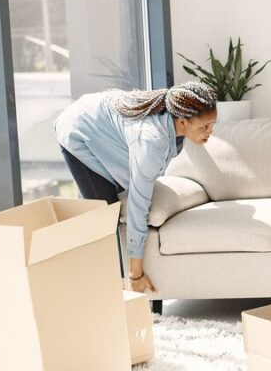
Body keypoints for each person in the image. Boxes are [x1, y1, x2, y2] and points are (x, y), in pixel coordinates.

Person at [54, 81, 217, 291]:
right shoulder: (150, 142)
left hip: (100, 121)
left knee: (118, 194)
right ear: (183, 122)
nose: (210, 131)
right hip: (78, 129)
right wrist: (136, 273)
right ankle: (107, 293)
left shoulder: (175, 125)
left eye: (212, 125)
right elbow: (138, 207)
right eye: (205, 126)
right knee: (105, 218)